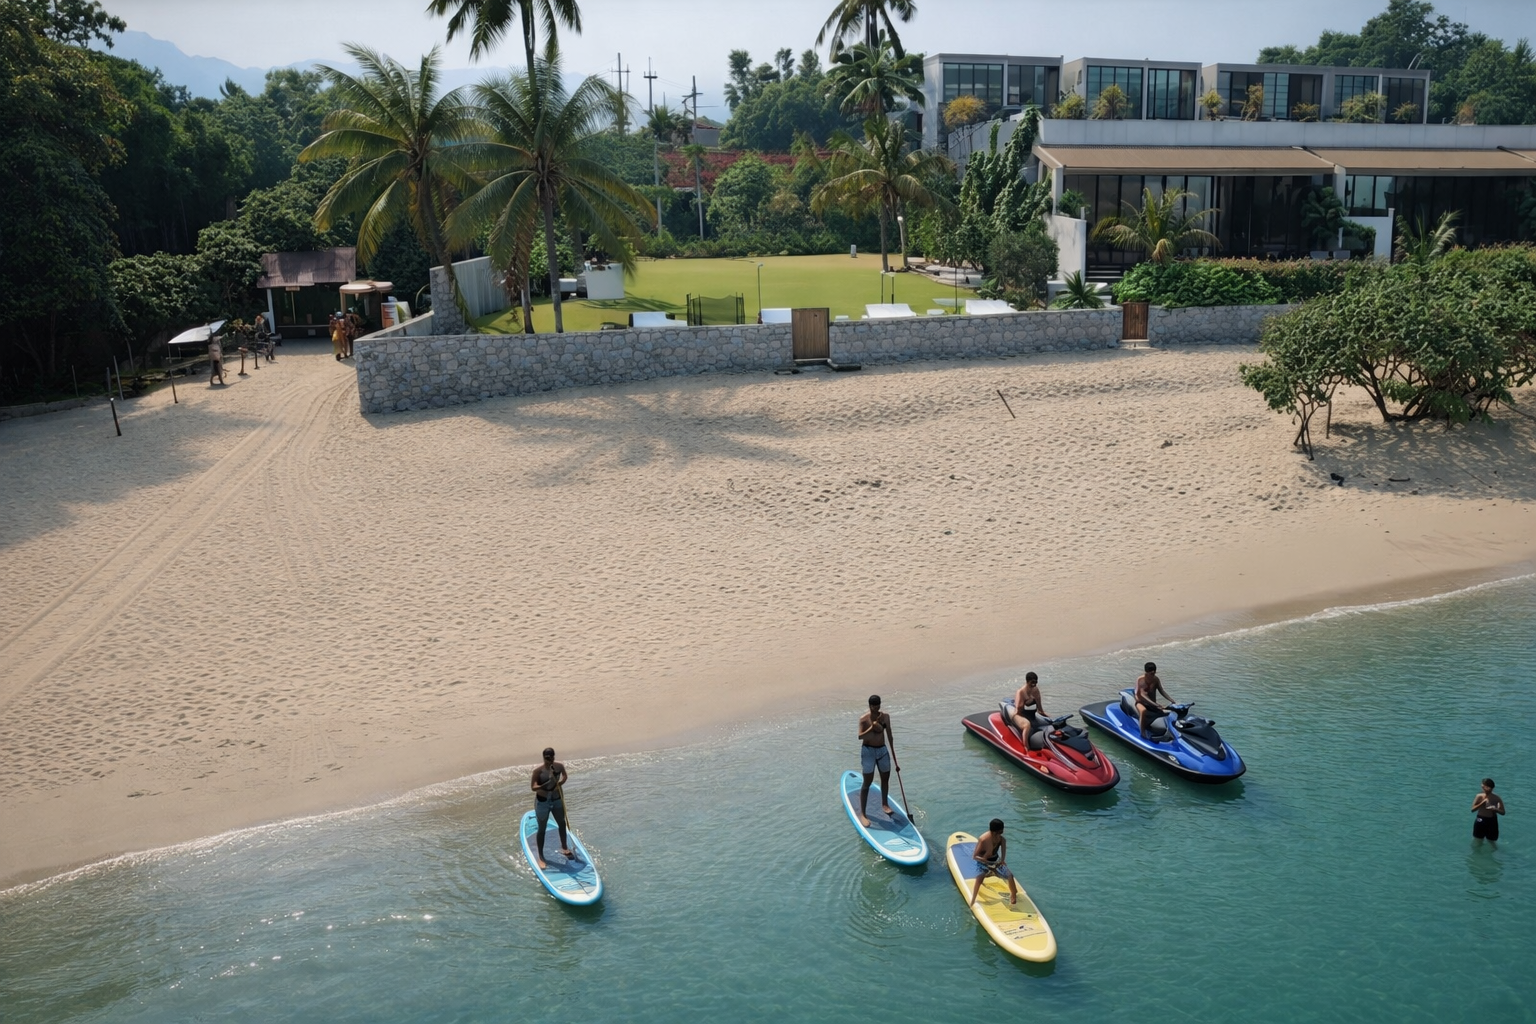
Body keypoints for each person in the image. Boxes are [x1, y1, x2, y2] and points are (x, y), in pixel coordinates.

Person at [529, 747, 573, 869]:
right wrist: (548, 783)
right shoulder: (538, 771)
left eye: (551, 758)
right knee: (542, 829)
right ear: (543, 758)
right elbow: (533, 787)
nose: (549, 760)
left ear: (554, 756)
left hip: (557, 799)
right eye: (547, 758)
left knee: (561, 823)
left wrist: (559, 783)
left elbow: (564, 776)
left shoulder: (559, 766)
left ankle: (564, 847)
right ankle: (541, 857)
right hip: (543, 802)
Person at [856, 694, 895, 828]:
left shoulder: (885, 717)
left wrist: (894, 756)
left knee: (885, 778)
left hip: (882, 750)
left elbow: (889, 734)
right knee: (867, 782)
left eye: (878, 706)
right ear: (870, 706)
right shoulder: (864, 719)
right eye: (873, 706)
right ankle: (863, 814)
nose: (876, 708)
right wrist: (872, 727)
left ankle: (885, 804)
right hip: (868, 751)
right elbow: (860, 736)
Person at [969, 818, 1018, 907]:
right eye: (1001, 830)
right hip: (983, 863)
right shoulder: (983, 839)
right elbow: (975, 856)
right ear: (996, 831)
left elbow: (1003, 849)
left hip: (995, 861)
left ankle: (1014, 895)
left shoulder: (1001, 839)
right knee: (979, 878)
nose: (1003, 831)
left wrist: (1002, 860)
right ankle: (972, 900)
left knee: (1010, 875)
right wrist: (985, 861)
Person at [1135, 661, 1173, 740]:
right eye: (1151, 674)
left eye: (1154, 673)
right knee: (1143, 711)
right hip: (1141, 701)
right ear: (1146, 672)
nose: (1153, 675)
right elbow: (1142, 695)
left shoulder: (1156, 679)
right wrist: (1156, 705)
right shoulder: (1141, 679)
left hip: (1152, 703)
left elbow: (1161, 690)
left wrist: (1171, 700)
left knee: (1165, 712)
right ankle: (1142, 732)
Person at [1010, 671, 1045, 739]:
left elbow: (1039, 706)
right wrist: (1026, 701)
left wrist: (1043, 714)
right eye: (1032, 682)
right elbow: (1018, 709)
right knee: (1027, 725)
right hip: (1019, 714)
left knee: (1047, 722)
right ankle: (1026, 746)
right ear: (1027, 681)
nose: (1034, 684)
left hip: (1031, 714)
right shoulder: (1021, 692)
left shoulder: (1035, 690)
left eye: (1035, 682)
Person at [1472, 778, 1506, 844]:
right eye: (1484, 787)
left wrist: (1496, 809)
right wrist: (1482, 803)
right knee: (1478, 841)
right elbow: (1473, 809)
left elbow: (1503, 812)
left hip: (1492, 821)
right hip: (1481, 819)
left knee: (1492, 842)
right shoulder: (1479, 796)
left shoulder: (1496, 798)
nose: (1487, 789)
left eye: (1489, 788)